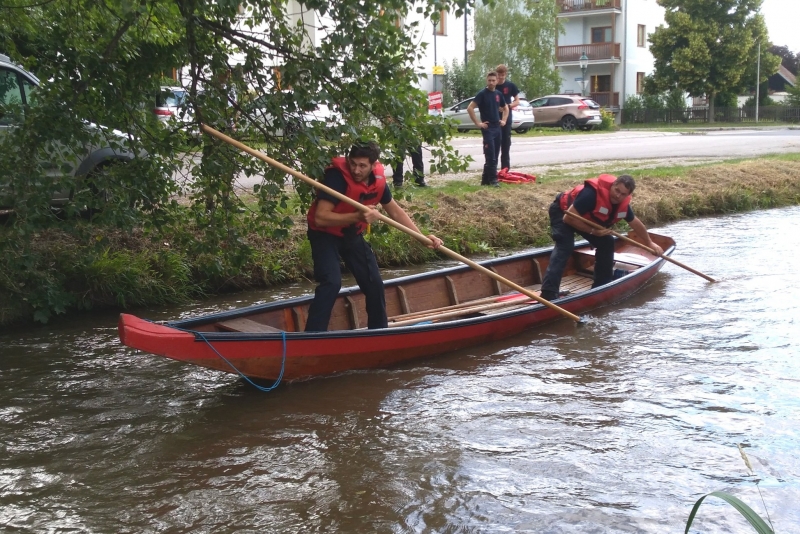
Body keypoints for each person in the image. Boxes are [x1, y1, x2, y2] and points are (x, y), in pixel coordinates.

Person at [305, 141, 443, 331]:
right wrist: (357, 216)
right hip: (324, 235)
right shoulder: (337, 178)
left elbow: (395, 211)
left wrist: (422, 238)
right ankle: (313, 335)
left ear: (372, 164)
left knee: (374, 283)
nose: (356, 170)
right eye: (353, 163)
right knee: (331, 282)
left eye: (362, 166)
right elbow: (320, 218)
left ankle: (379, 332)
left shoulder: (377, 181)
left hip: (351, 234)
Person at [539, 174, 664, 301]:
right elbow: (569, 218)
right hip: (563, 213)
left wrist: (649, 243)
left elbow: (636, 224)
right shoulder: (590, 194)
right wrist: (593, 231)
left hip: (584, 219)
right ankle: (549, 293)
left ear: (628, 195)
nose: (618, 196)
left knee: (607, 242)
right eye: (617, 190)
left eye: (623, 194)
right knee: (565, 246)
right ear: (613, 185)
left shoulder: (622, 205)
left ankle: (601, 286)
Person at [467, 71, 509, 187]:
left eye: (493, 80)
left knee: (495, 154)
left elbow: (506, 108)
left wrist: (504, 120)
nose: (491, 82)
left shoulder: (498, 94)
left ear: (497, 81)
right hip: (488, 128)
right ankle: (493, 180)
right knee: (490, 155)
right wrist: (478, 123)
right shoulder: (482, 94)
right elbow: (470, 108)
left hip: (497, 127)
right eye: (489, 80)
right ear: (487, 80)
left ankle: (485, 180)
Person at [494, 64, 520, 172]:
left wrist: (507, 106)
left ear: (505, 74)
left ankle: (505, 170)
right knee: (495, 144)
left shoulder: (510, 86)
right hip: (495, 118)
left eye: (503, 75)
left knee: (506, 144)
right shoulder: (493, 86)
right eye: (499, 75)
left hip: (507, 118)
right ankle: (492, 170)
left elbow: (517, 101)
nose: (500, 77)